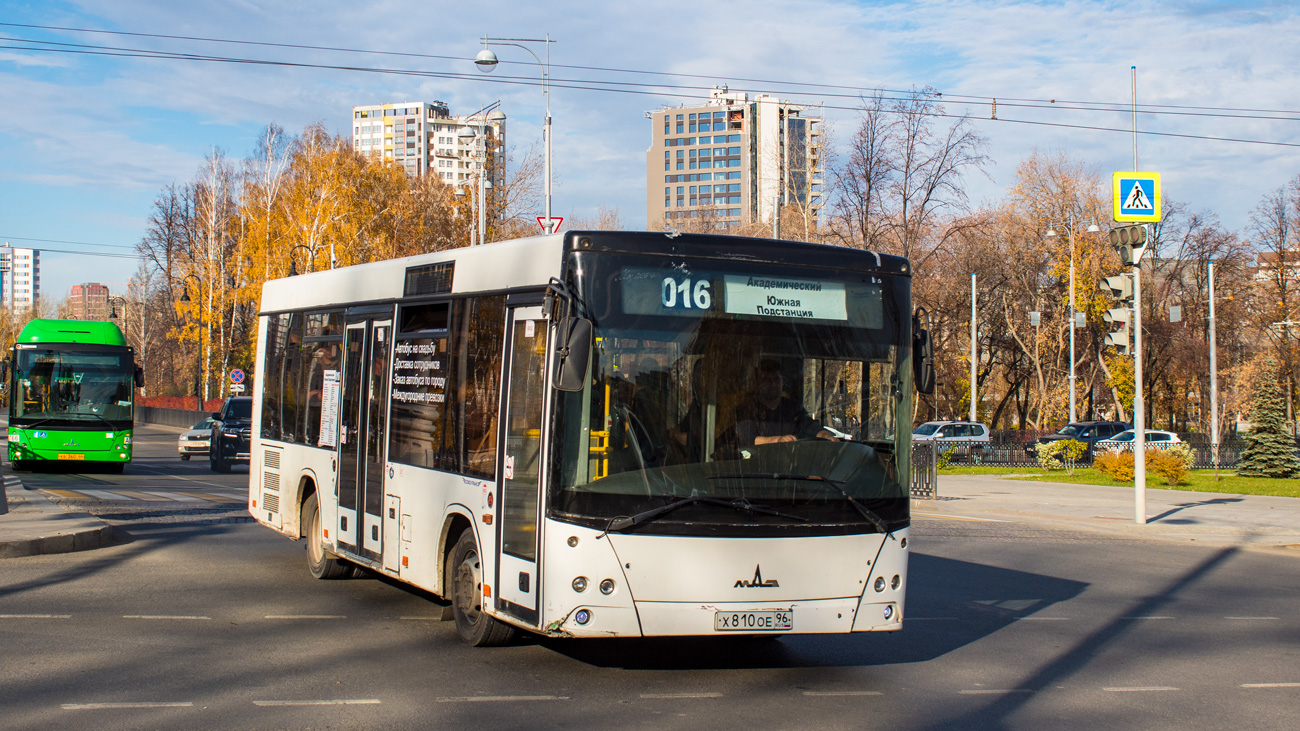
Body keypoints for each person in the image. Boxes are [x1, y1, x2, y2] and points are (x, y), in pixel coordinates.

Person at [733, 359, 838, 447]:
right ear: (757, 383)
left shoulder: (793, 408)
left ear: (782, 381)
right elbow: (747, 440)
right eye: (767, 380)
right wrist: (779, 441)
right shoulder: (747, 409)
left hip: (790, 468)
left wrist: (825, 436)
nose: (773, 384)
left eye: (776, 379)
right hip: (755, 467)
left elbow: (811, 427)